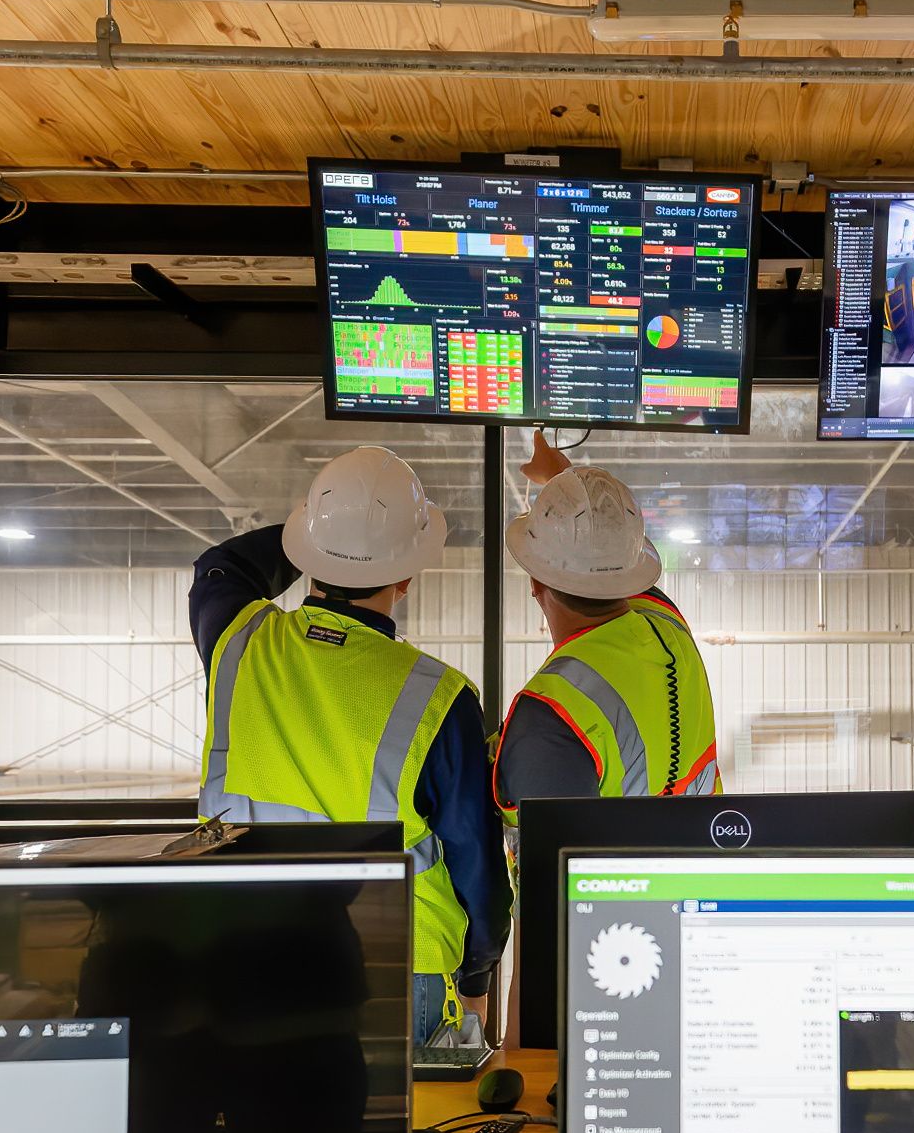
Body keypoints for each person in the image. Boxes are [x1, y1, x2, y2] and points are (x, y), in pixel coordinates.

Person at [189, 446, 508, 1044]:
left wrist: (313, 533)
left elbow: (222, 565)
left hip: (241, 950)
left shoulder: (239, 640)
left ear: (304, 556)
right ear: (407, 577)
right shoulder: (440, 697)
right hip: (393, 965)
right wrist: (477, 976)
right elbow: (477, 861)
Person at [494, 434, 721, 818]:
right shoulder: (667, 622)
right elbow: (606, 556)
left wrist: (561, 484)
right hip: (698, 868)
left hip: (622, 880)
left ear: (534, 582)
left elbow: (558, 869)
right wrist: (563, 482)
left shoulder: (550, 715)